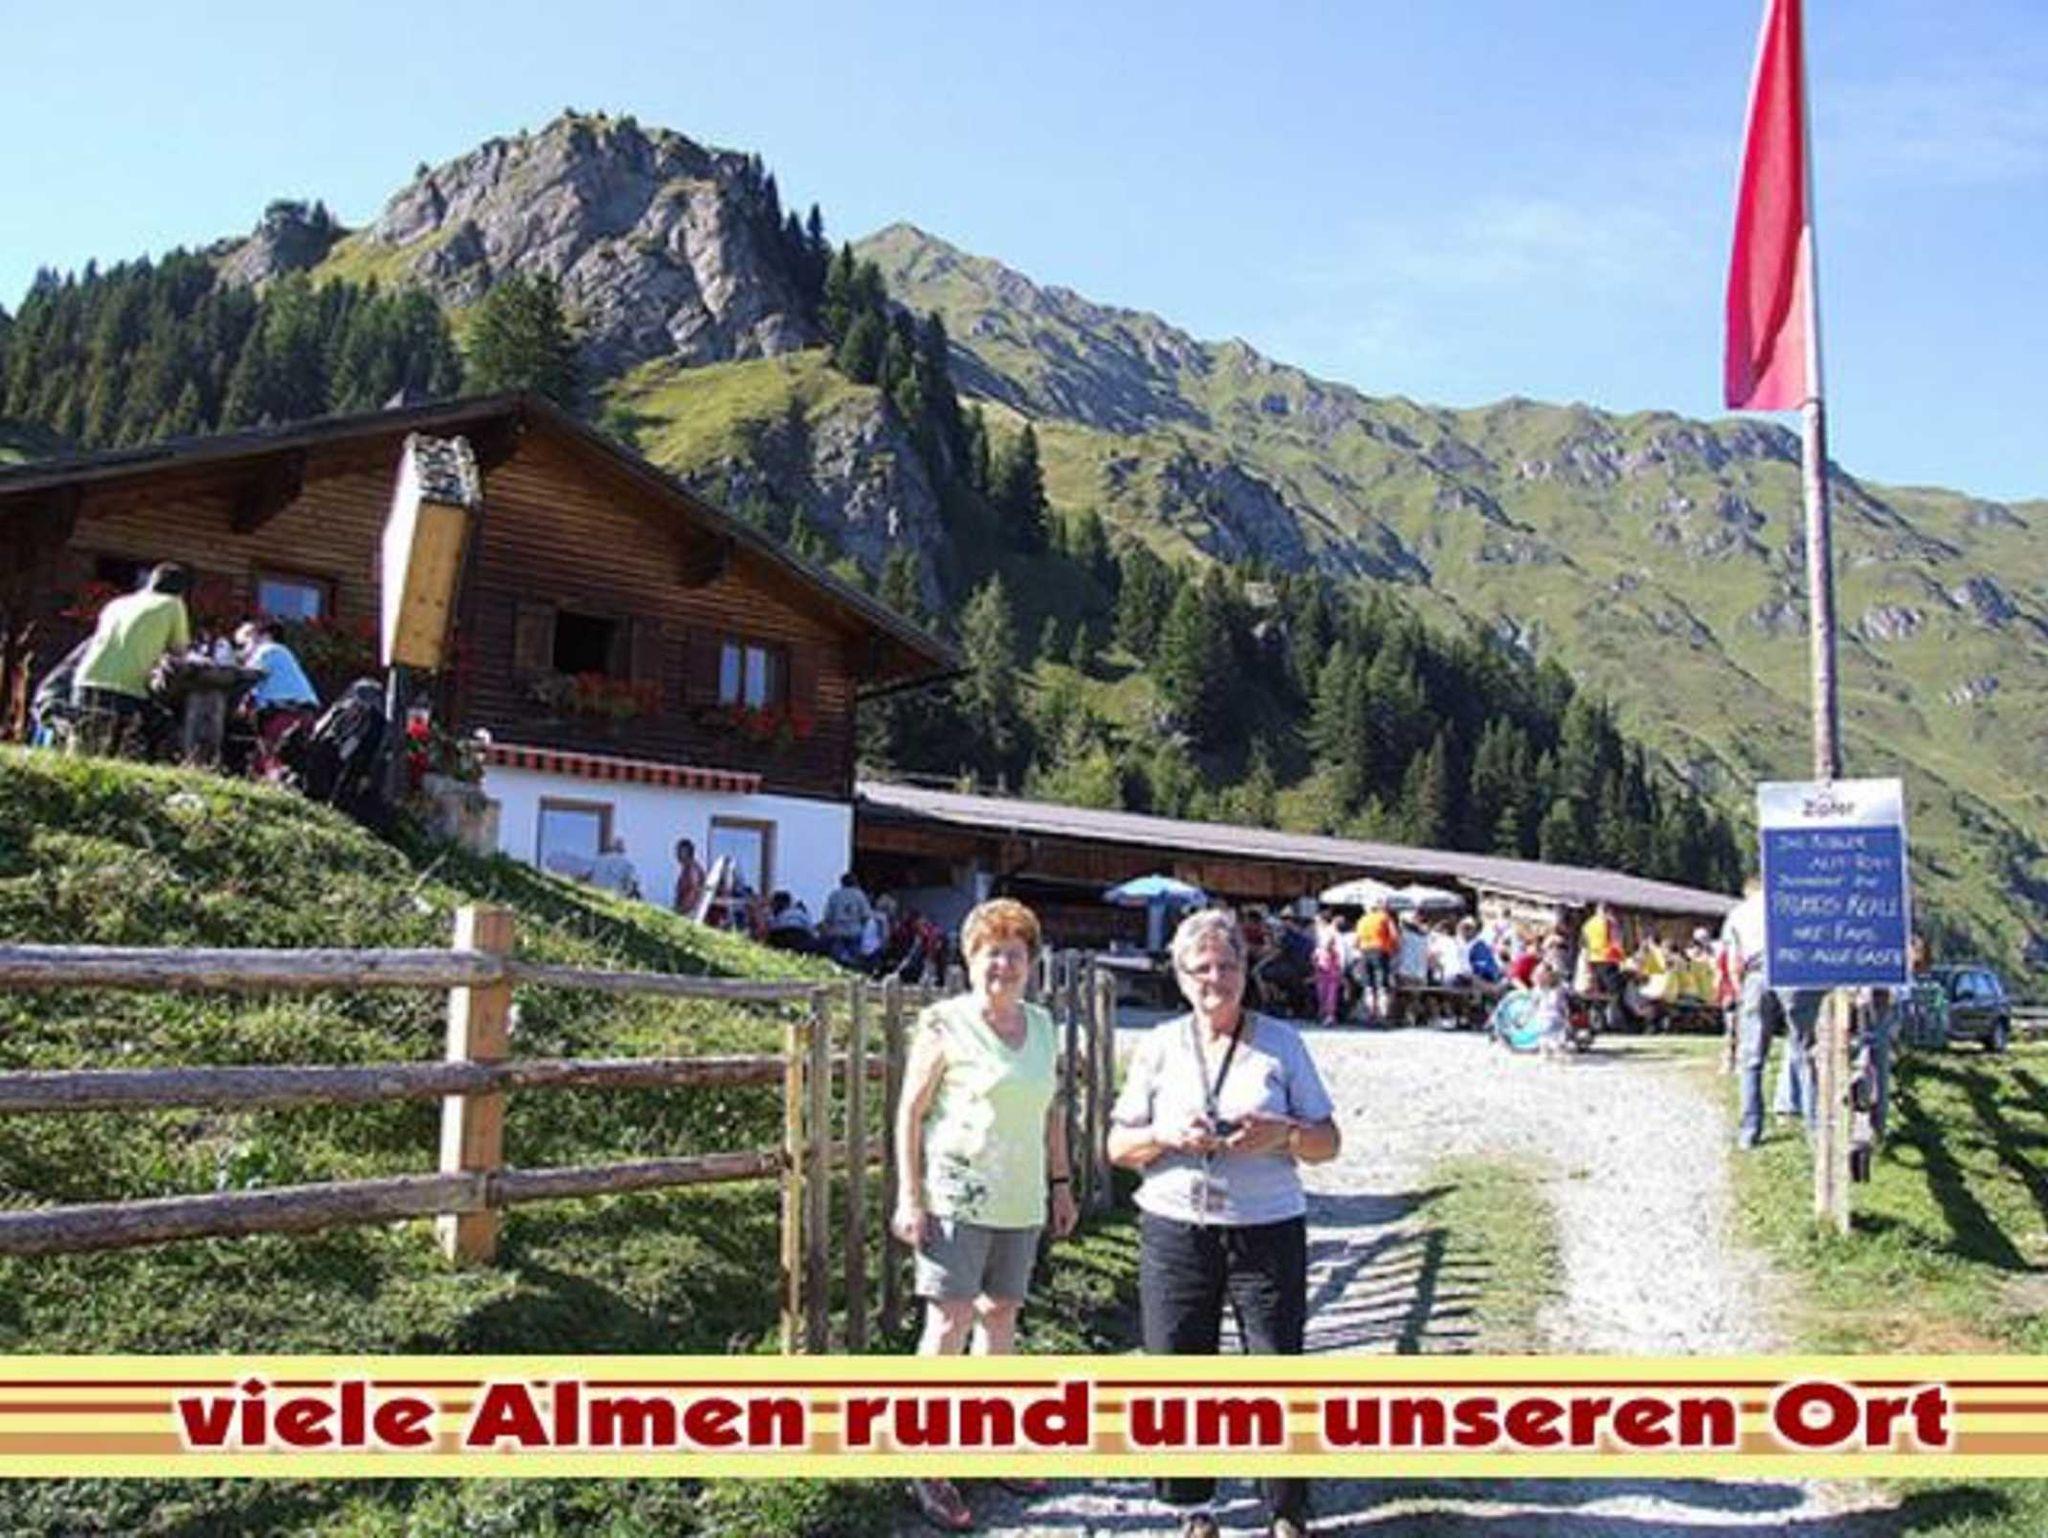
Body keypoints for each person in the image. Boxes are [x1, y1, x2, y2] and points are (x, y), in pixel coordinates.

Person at [1109, 909, 1340, 1538]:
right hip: (1176, 1226)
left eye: (1228, 964)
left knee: (1275, 1365)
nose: (1216, 978)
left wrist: (1283, 1134)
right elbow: (1117, 1146)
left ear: (1246, 969)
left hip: (1267, 1226)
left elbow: (1329, 1142)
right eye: (1202, 967)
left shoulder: (1281, 1043)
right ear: (1181, 976)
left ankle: (1286, 1509)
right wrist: (1166, 1135)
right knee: (1178, 1364)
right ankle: (1193, 1507)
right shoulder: (1159, 1045)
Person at [892, 898, 1076, 1533]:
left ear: (1031, 962)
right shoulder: (945, 1023)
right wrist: (909, 1196)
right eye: (991, 952)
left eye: (1015, 953)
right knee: (949, 1320)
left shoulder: (1043, 1026)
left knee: (1001, 1318)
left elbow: (1051, 1112)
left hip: (1019, 1197)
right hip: (957, 1196)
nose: (1003, 964)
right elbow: (910, 1111)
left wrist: (1060, 1185)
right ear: (970, 960)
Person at [71, 562, 192, 755]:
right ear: (182, 591)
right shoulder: (172, 604)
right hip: (127, 689)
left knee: (82, 750)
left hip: (86, 681)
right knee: (127, 749)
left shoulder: (117, 604)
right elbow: (179, 651)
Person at [1580, 902, 1627, 1033]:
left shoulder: (1587, 925)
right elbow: (1617, 941)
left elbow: (1585, 945)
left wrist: (1587, 965)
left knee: (1598, 993)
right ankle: (1614, 1022)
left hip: (1593, 961)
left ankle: (1598, 1022)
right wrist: (1621, 960)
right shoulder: (1610, 923)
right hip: (1608, 960)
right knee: (1614, 993)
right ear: (1607, 911)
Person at [1355, 896, 1399, 1024]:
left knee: (1369, 986)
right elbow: (1394, 935)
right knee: (1382, 986)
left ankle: (1370, 1015)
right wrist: (1394, 950)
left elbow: (1356, 941)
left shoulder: (1362, 920)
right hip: (1381, 951)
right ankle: (1382, 1016)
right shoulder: (1384, 917)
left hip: (1365, 952)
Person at [820, 872, 875, 967]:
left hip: (838, 931)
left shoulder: (835, 895)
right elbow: (866, 915)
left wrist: (828, 929)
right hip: (854, 931)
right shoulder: (859, 895)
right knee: (855, 960)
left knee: (837, 960)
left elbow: (827, 916)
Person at [1312, 913, 1345, 1029]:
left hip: (1331, 965)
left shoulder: (1331, 933)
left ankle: (1329, 1015)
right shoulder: (1321, 933)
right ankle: (1324, 1013)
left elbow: (1338, 951)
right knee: (1322, 991)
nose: (1316, 924)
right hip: (1323, 964)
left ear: (1323, 921)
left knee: (1329, 992)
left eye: (1317, 921)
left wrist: (1341, 967)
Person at [672, 838, 706, 916]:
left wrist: (680, 911)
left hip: (688, 913)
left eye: (679, 852)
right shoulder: (686, 869)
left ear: (686, 853)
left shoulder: (693, 870)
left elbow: (694, 893)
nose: (677, 855)